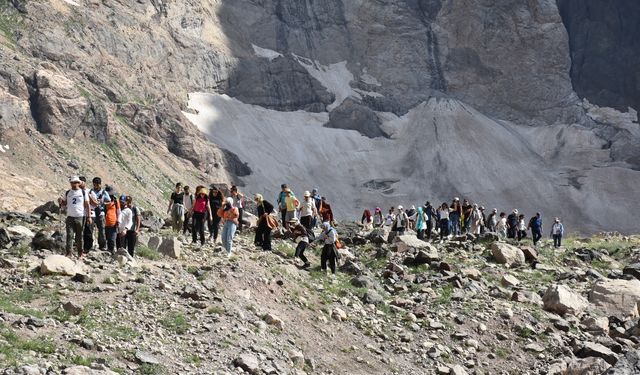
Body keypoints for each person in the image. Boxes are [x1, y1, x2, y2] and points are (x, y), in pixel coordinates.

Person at [58, 176, 90, 258]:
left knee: (79, 236)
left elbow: (87, 205)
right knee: (69, 235)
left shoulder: (83, 192)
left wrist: (89, 216)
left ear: (79, 183)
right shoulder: (68, 192)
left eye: (76, 182)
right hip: (70, 216)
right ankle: (69, 253)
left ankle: (80, 252)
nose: (74, 184)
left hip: (80, 216)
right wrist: (61, 201)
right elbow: (64, 203)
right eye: (73, 182)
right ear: (70, 183)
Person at [79, 176, 98, 255]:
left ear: (84, 182)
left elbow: (96, 204)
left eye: (80, 182)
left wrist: (88, 195)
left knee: (88, 231)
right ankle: (80, 247)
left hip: (90, 214)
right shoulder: (77, 191)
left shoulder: (90, 191)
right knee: (80, 231)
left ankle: (88, 248)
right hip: (80, 213)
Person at [91, 177, 110, 251]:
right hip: (92, 212)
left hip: (100, 213)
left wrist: (102, 202)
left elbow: (109, 201)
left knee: (101, 229)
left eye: (96, 185)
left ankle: (102, 245)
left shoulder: (104, 192)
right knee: (90, 228)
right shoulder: (91, 191)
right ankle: (90, 244)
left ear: (99, 184)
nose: (95, 186)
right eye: (94, 185)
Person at [103, 185, 120, 254]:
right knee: (107, 238)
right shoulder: (103, 200)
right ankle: (108, 251)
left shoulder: (116, 201)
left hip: (113, 222)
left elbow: (118, 211)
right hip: (105, 222)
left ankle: (111, 251)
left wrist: (118, 220)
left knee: (112, 239)